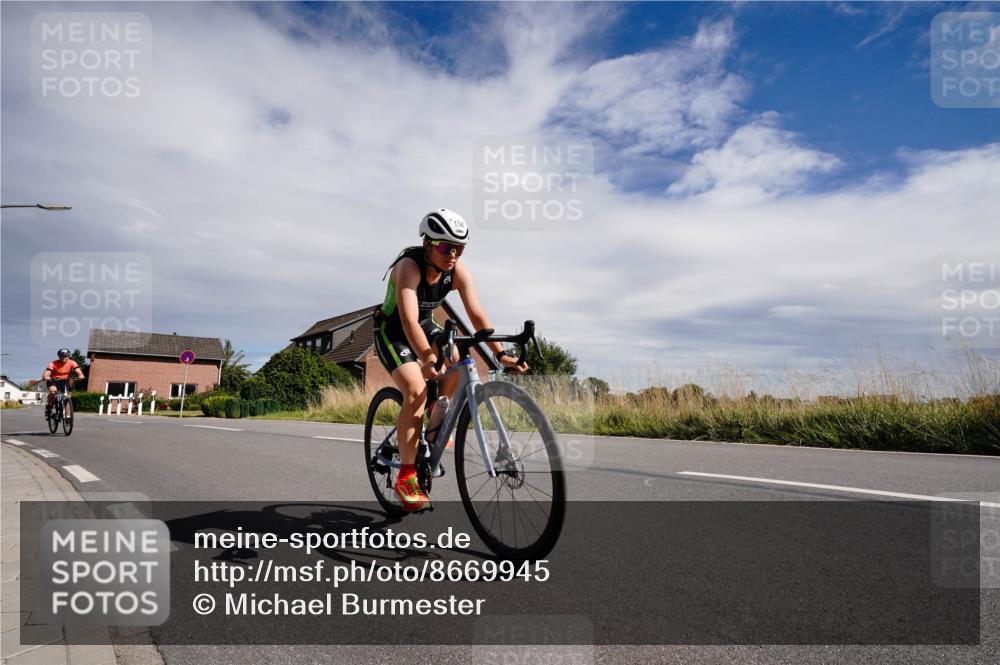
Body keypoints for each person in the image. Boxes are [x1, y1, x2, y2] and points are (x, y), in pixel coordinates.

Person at [373, 209, 527, 512]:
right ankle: (406, 476)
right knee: (416, 388)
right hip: (393, 330)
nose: (453, 254)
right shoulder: (408, 267)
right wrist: (428, 357)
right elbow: (407, 320)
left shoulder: (457, 271)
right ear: (428, 243)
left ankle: (433, 426)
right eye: (446, 247)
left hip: (425, 324)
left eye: (460, 248)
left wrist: (501, 354)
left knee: (458, 361)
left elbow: (478, 316)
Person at [43, 349, 85, 417]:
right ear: (59, 356)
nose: (64, 358)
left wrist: (81, 375)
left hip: (65, 381)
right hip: (53, 380)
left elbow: (78, 370)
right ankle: (49, 406)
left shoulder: (72, 362)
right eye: (62, 356)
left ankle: (68, 416)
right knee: (53, 392)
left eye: (66, 356)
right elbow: (47, 373)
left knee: (68, 397)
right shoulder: (53, 363)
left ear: (68, 356)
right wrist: (46, 376)